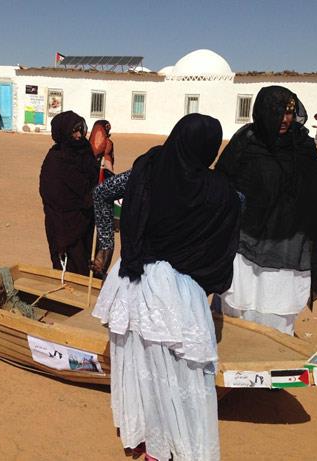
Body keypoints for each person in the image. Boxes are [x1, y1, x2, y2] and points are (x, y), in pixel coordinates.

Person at [93, 114, 241, 461]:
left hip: (132, 283)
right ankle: (174, 447)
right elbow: (239, 211)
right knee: (180, 375)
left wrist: (106, 243)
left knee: (141, 366)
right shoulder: (218, 190)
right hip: (178, 295)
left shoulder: (149, 169)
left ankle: (147, 441)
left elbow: (102, 193)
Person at [215, 86, 317, 336]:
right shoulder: (246, 142)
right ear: (263, 112)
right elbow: (222, 185)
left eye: (290, 113)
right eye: (278, 112)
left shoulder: (303, 147)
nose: (285, 119)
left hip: (288, 244)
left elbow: (316, 188)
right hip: (246, 243)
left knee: (278, 311)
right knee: (239, 307)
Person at [39, 111, 98, 276]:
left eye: (81, 130)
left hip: (86, 220)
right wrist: (83, 200)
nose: (79, 135)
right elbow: (50, 194)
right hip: (63, 225)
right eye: (74, 132)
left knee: (88, 265)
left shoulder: (85, 151)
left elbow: (94, 179)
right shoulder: (55, 159)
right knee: (70, 269)